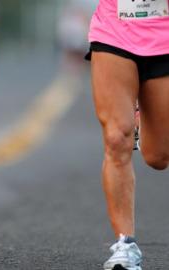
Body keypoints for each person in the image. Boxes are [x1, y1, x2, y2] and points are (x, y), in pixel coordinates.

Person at [86, 0, 169, 269]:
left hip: (164, 36)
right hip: (113, 31)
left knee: (158, 156)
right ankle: (125, 244)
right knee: (115, 138)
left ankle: (142, 116)